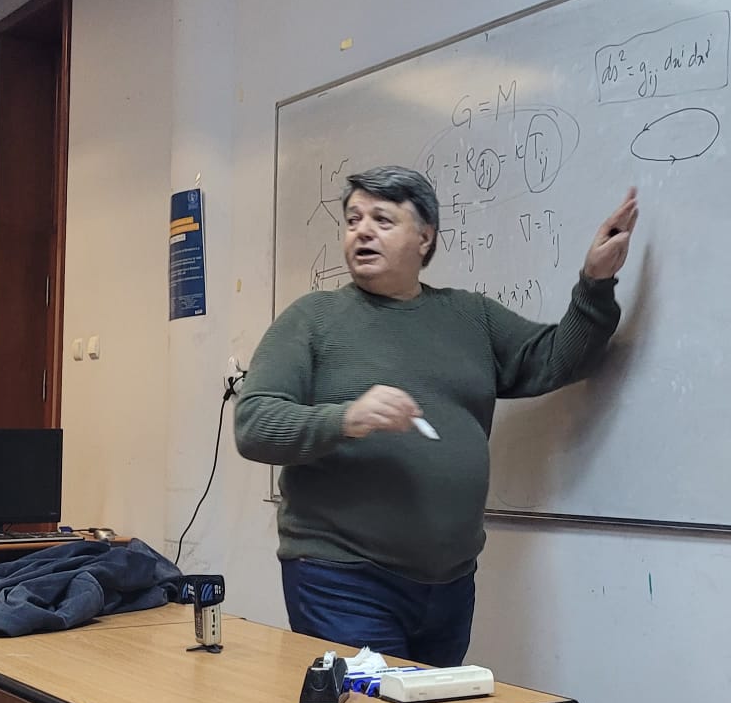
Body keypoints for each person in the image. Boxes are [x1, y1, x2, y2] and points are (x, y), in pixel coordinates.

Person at [236, 166, 638, 665]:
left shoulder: (469, 317)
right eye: (353, 220)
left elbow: (558, 359)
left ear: (425, 237)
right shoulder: (313, 318)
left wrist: (596, 282)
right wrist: (345, 419)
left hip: (449, 582)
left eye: (382, 220)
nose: (362, 231)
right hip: (341, 576)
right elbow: (254, 424)